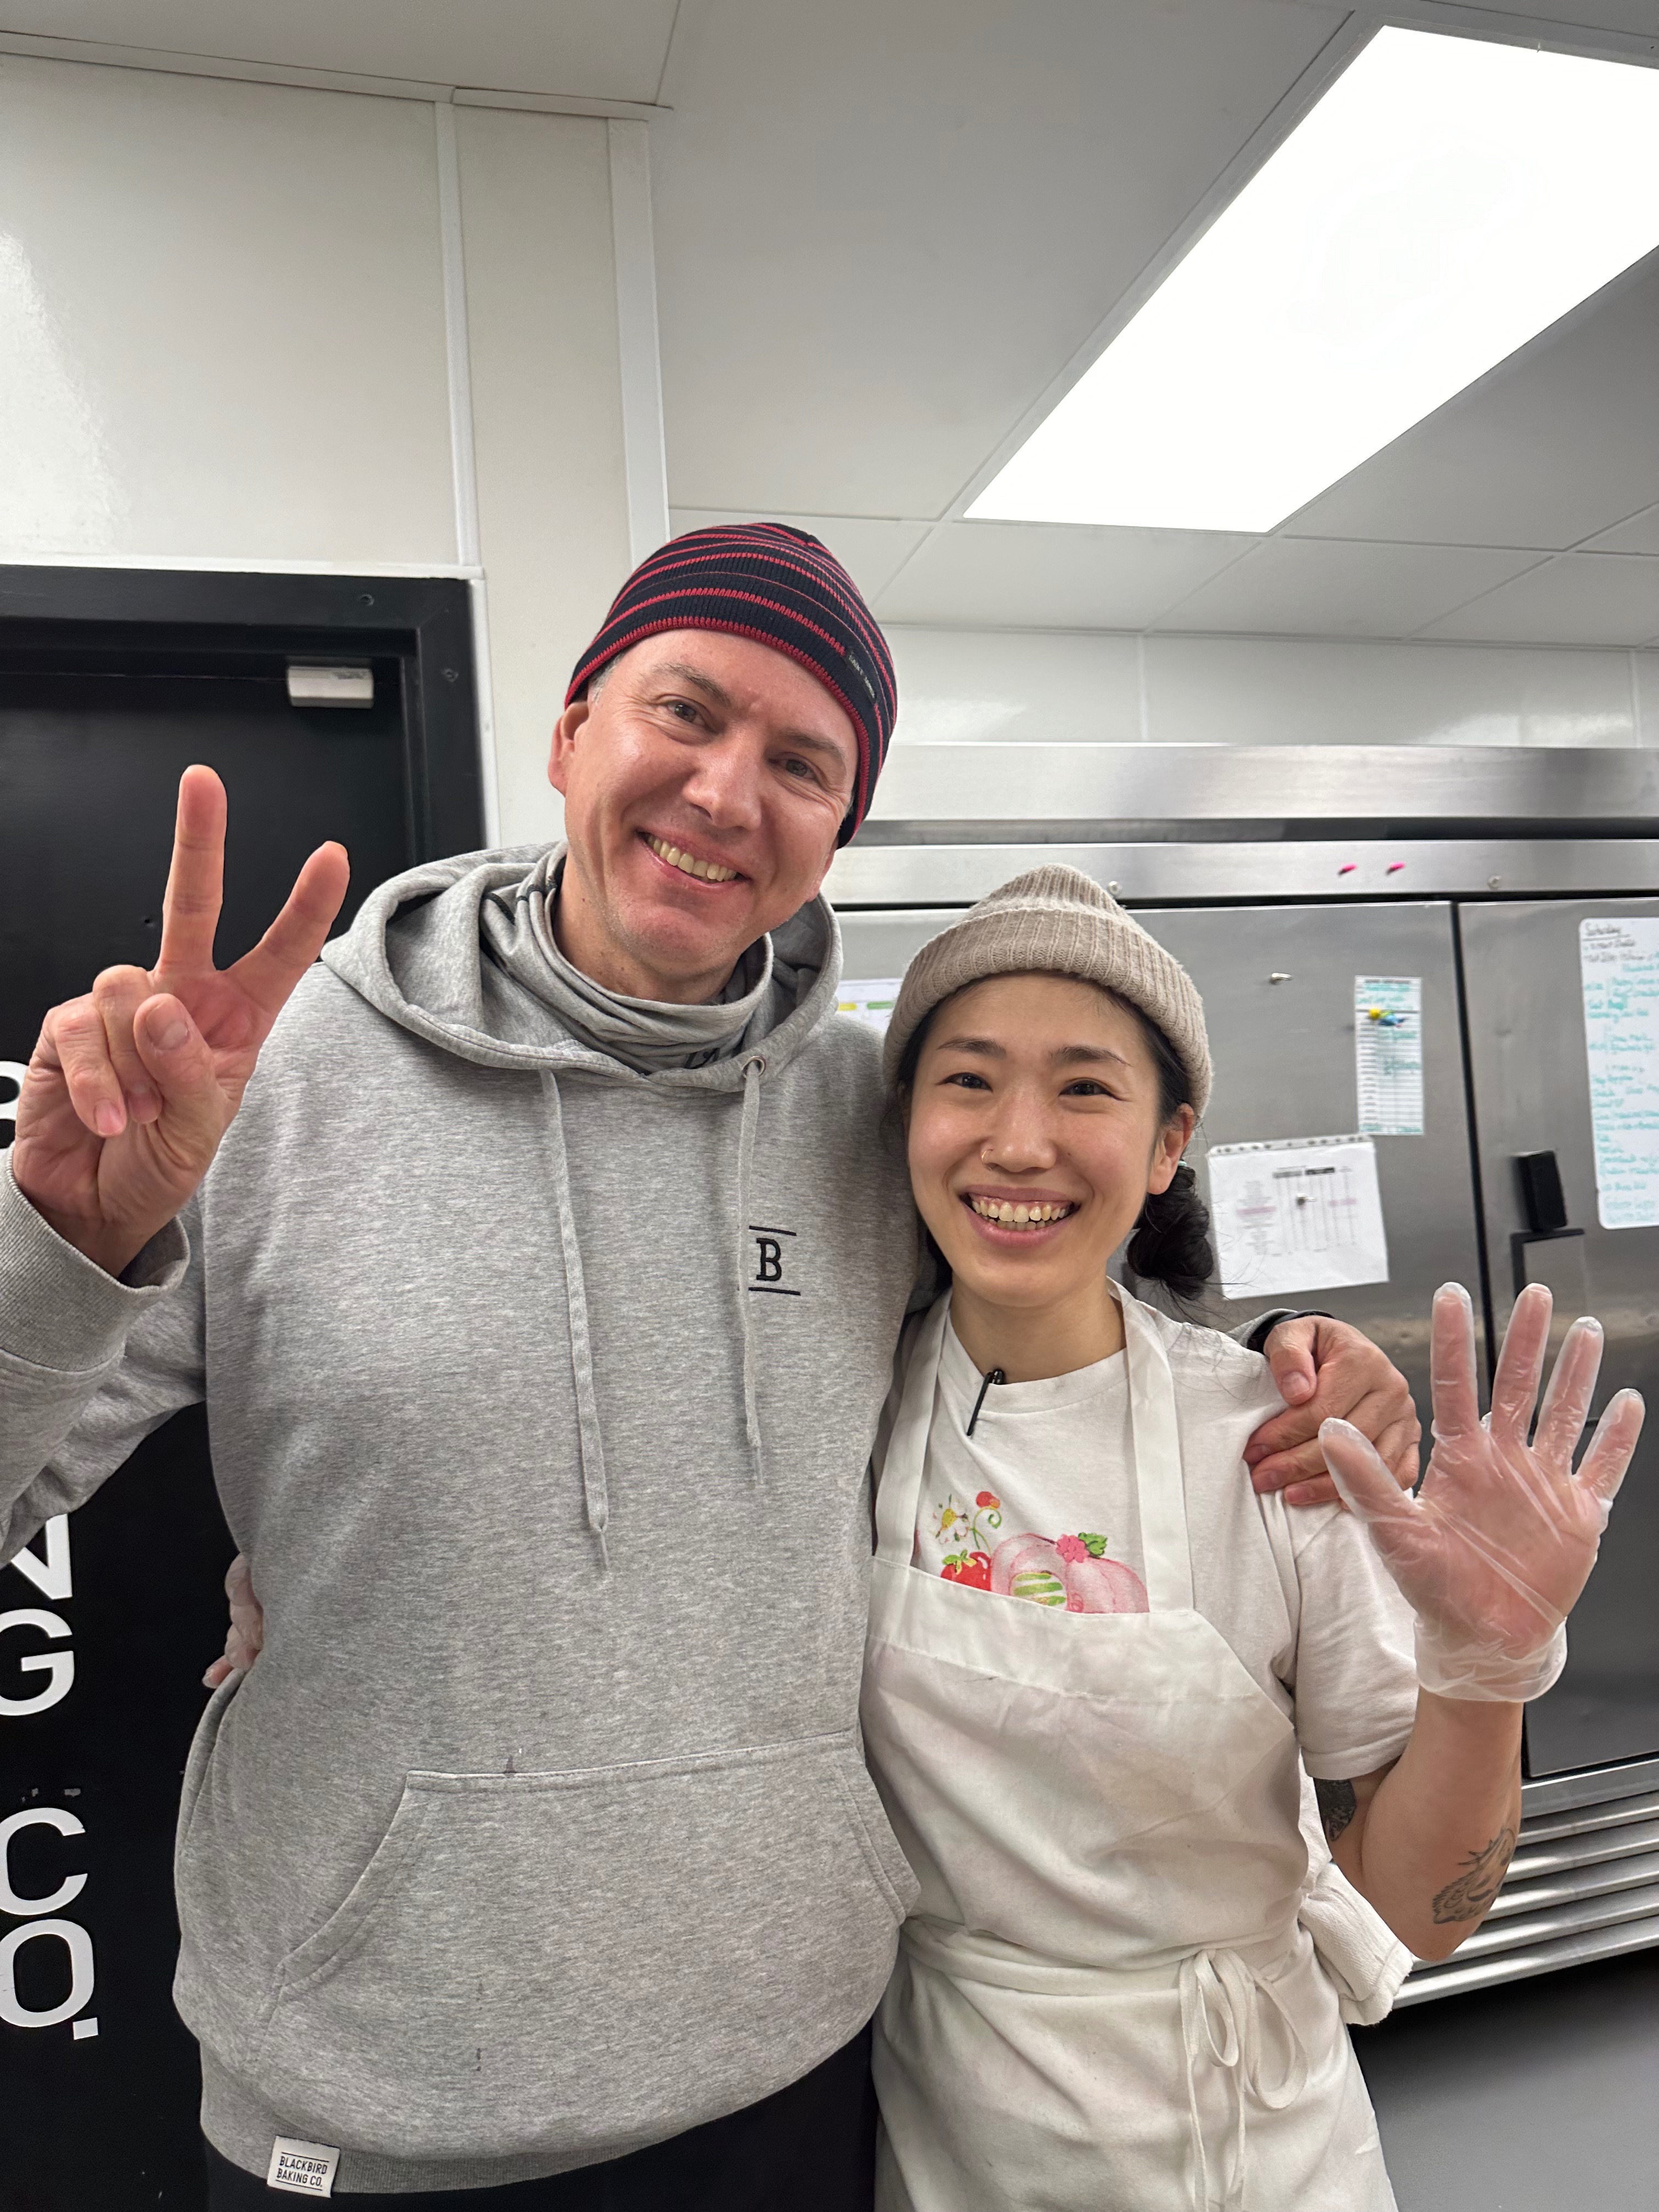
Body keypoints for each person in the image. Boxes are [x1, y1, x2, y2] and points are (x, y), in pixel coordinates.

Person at [1, 527, 1417, 2209]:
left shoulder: (868, 1124)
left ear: (838, 830)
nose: (728, 792)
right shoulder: (266, 1084)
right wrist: (58, 1243)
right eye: (686, 713)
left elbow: (1048, 1325)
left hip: (797, 2083)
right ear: (571, 732)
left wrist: (1286, 1368)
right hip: (376, 2101)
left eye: (801, 763)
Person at [860, 865, 1643, 2212]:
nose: (1020, 1142)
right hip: (948, 2129)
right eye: (969, 1079)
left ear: (1169, 1143)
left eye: (1086, 1088)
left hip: (1242, 2142)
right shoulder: (846, 1411)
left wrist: (1482, 1671)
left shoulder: (1276, 1448)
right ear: (907, 1121)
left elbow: (1418, 1913)